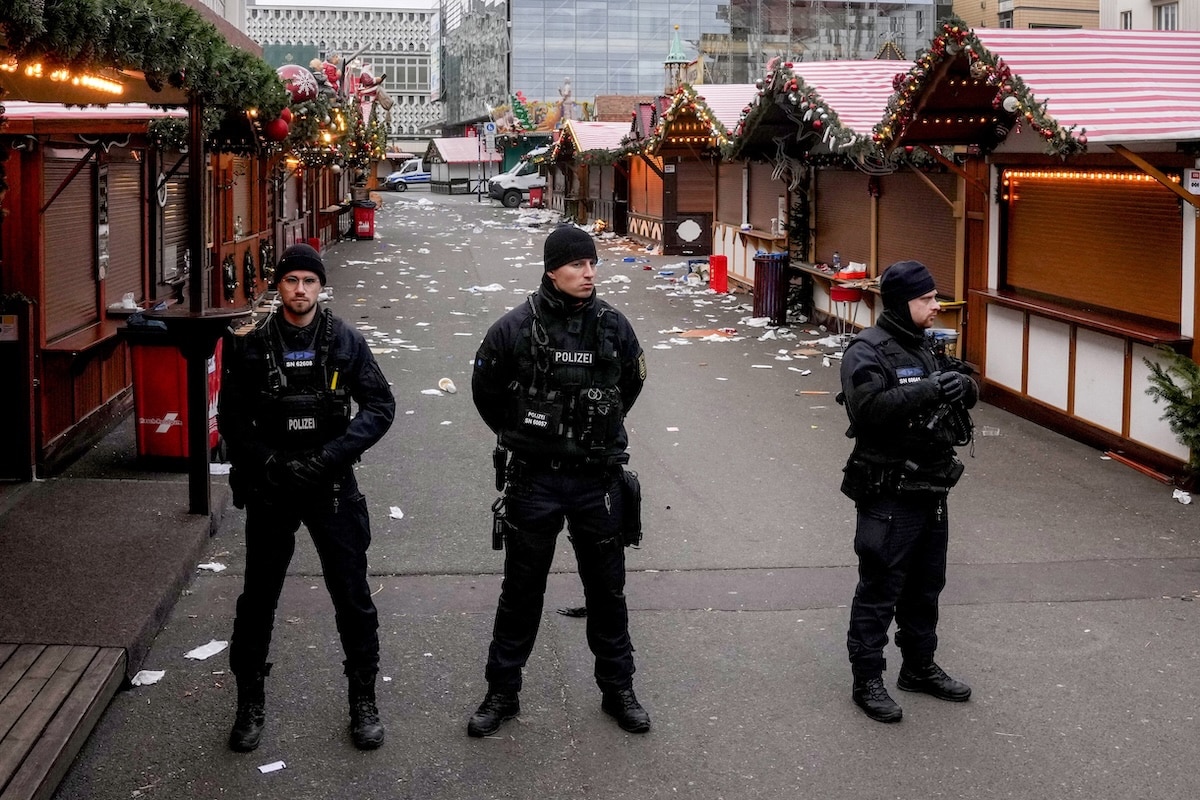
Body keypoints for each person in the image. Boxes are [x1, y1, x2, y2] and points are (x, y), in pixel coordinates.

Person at [468, 225, 650, 737]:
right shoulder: (515, 328)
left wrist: (589, 434)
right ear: (552, 269)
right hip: (535, 482)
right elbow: (486, 390)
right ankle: (502, 692)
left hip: (598, 480)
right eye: (576, 265)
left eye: (592, 263)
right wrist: (526, 433)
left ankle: (619, 690)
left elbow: (631, 383)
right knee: (520, 592)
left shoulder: (614, 326)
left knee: (606, 592)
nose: (588, 273)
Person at [218, 243, 396, 751]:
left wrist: (331, 456)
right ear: (279, 286)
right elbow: (231, 420)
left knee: (352, 596)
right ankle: (249, 702)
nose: (300, 290)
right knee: (258, 599)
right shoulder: (250, 345)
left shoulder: (345, 341)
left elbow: (380, 407)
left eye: (309, 281)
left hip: (331, 484)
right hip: (273, 487)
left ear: (321, 287)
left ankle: (363, 700)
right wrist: (270, 462)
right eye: (292, 280)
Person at [837, 260, 977, 723]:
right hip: (888, 490)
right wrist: (933, 390)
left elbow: (964, 383)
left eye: (935, 297)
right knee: (880, 587)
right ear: (902, 302)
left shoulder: (926, 347)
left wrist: (964, 386)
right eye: (927, 299)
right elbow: (870, 410)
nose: (937, 306)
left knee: (925, 587)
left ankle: (918, 667)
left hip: (931, 488)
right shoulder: (866, 351)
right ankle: (867, 680)